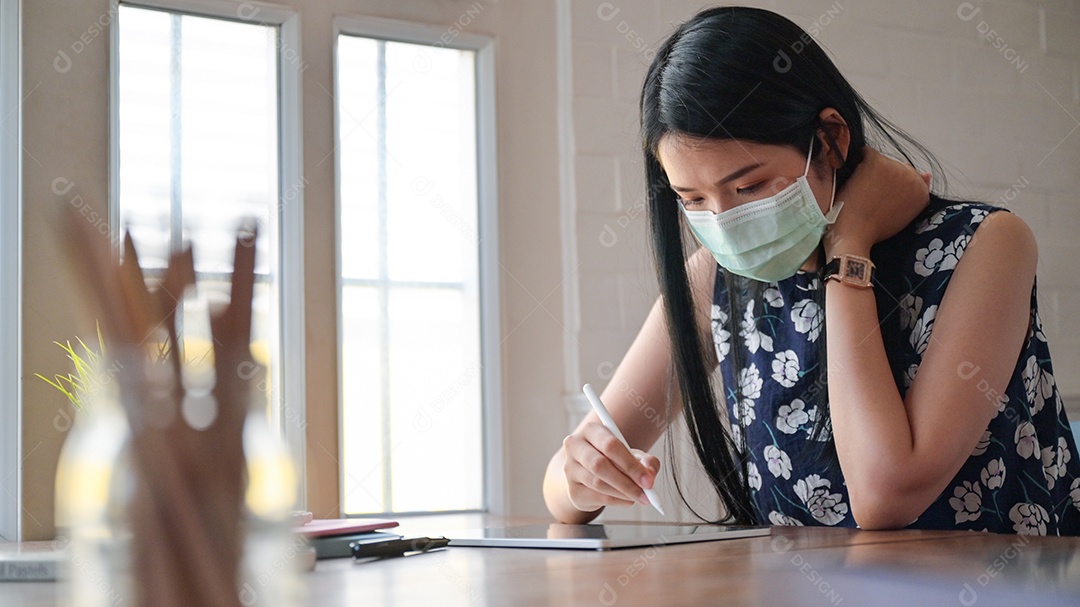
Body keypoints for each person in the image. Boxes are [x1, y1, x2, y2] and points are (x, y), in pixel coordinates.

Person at [542, 6, 1080, 535]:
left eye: (749, 187)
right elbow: (563, 490)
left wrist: (850, 244)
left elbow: (885, 494)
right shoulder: (714, 278)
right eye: (694, 199)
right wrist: (582, 476)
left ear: (830, 140)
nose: (725, 224)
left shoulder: (986, 245)